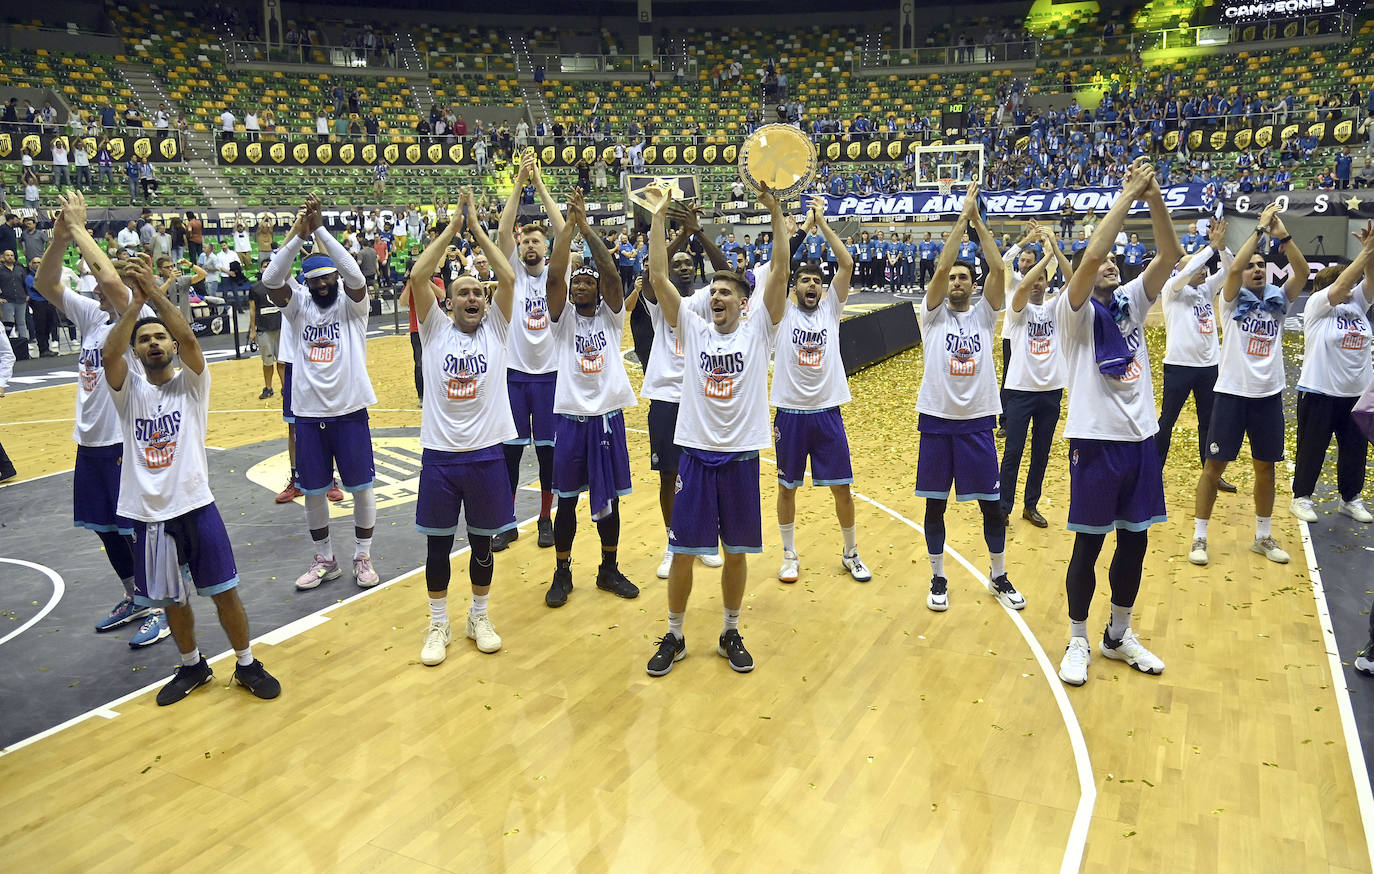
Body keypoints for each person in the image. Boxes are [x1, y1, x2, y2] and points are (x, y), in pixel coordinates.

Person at [102, 254, 280, 705]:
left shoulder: (191, 386)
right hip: (150, 514)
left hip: (196, 506)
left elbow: (187, 336)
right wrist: (134, 307)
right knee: (172, 600)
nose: (156, 343)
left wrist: (154, 296)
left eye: (160, 337)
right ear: (137, 351)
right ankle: (192, 666)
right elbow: (109, 354)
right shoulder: (129, 394)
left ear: (172, 346)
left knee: (225, 593)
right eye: (145, 340)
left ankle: (246, 662)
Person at [642, 181, 787, 677]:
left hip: (742, 456)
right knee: (683, 550)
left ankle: (729, 630)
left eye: (728, 291)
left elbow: (781, 274)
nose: (719, 296)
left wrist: (777, 215)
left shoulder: (758, 331)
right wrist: (659, 216)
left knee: (736, 553)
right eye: (715, 291)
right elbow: (659, 276)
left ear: (744, 303)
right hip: (697, 455)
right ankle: (676, 634)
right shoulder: (693, 327)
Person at [1055, 159, 1179, 688]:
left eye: (1114, 264)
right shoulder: (1073, 309)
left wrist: (1152, 196)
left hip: (1140, 439)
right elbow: (1094, 254)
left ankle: (1117, 634)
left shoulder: (1132, 299)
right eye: (1102, 263)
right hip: (1095, 440)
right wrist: (1127, 193)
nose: (1109, 266)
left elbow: (1170, 254)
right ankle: (1078, 637)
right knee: (1089, 545)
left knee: (1136, 543)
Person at [31, 191, 169, 646]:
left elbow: (112, 282)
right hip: (90, 441)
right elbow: (47, 285)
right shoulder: (93, 317)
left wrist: (78, 229)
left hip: (125, 443)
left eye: (99, 272)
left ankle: (161, 605)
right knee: (107, 530)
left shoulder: (140, 317)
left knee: (139, 531)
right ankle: (133, 597)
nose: (94, 279)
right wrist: (57, 239)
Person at [409, 190, 517, 665]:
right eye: (463, 293)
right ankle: (438, 622)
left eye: (478, 292)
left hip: (487, 453)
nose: (472, 297)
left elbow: (508, 276)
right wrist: (453, 228)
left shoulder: (496, 327)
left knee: (481, 543)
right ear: (448, 302)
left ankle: (478, 615)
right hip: (440, 455)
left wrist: (477, 231)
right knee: (437, 545)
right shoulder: (433, 330)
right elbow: (417, 275)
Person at [914, 182, 1023, 613]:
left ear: (973, 285)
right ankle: (938, 576)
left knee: (991, 508)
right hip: (938, 419)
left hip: (978, 420)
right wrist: (960, 220)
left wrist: (979, 223)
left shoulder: (984, 314)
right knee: (935, 505)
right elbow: (939, 272)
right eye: (953, 276)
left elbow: (999, 272)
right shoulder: (933, 313)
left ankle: (998, 575)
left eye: (964, 277)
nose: (956, 281)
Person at [264, 197, 381, 590]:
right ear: (307, 284)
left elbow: (356, 275)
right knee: (313, 491)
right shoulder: (298, 307)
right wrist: (298, 235)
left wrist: (319, 230)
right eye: (315, 280)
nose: (322, 284)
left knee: (361, 487)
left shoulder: (352, 308)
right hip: (310, 414)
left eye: (327, 278)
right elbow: (271, 280)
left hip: (349, 411)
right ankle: (325, 558)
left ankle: (362, 556)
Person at [1189, 202, 1309, 568]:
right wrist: (1257, 231)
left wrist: (1283, 236)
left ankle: (1263, 535)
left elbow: (1302, 273)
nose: (1256, 269)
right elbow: (1235, 267)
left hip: (1268, 395)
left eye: (1262, 265)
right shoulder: (1229, 300)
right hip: (1230, 394)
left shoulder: (1278, 301)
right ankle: (1199, 536)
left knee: (1265, 468)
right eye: (1251, 266)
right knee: (1214, 467)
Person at [538, 187, 639, 607]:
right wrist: (568, 229)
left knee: (610, 503)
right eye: (575, 284)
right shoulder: (561, 323)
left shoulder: (611, 319)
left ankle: (608, 569)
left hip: (607, 418)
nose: (579, 287)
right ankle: (562, 573)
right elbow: (554, 277)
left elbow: (612, 274)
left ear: (597, 293)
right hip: (572, 420)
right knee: (566, 502)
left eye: (586, 284)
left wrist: (586, 226)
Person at [771, 196, 870, 584]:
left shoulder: (831, 309)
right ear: (794, 286)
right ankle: (789, 554)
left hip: (828, 411)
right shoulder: (781, 312)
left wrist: (823, 224)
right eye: (804, 280)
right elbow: (778, 269)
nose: (811, 285)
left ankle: (851, 552)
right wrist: (800, 230)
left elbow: (846, 263)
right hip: (790, 414)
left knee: (842, 488)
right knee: (787, 488)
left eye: (817, 281)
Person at [639, 200, 730, 578]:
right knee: (668, 476)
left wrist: (699, 234)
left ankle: (706, 539)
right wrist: (678, 237)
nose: (682, 269)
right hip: (664, 397)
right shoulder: (660, 302)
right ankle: (674, 542)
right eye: (677, 265)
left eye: (688, 265)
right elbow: (651, 275)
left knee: (704, 473)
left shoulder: (708, 301)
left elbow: (726, 272)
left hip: (700, 398)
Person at [494, 151, 567, 551]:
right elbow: (504, 233)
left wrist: (538, 183)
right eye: (526, 242)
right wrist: (518, 184)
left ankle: (544, 518)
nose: (529, 246)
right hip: (515, 375)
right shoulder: (512, 274)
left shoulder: (558, 274)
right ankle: (506, 521)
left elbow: (562, 228)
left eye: (537, 241)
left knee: (548, 457)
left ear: (547, 246)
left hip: (552, 376)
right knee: (509, 454)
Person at [1289, 228, 1374, 525]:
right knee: (1312, 448)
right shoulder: (1317, 306)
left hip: (1356, 394)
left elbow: (1371, 280)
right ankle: (1301, 497)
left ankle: (1350, 499)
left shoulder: (1359, 305)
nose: (1353, 286)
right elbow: (1341, 287)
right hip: (1320, 391)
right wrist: (1365, 253)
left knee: (1354, 450)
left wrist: (1370, 250)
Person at [998, 226, 1070, 529]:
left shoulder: (1057, 308)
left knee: (1041, 453)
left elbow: (1075, 279)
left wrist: (1053, 245)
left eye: (1043, 280)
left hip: (1051, 391)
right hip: (1020, 391)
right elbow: (1022, 284)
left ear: (1048, 282)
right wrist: (1042, 259)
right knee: (1013, 451)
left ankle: (1031, 505)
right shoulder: (1018, 310)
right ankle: (1003, 508)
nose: (1037, 284)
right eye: (1034, 280)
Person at [1156, 219, 1233, 491]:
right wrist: (1209, 248)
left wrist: (1221, 249)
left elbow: (1230, 271)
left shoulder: (1206, 289)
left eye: (1203, 267)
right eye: (1197, 267)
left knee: (1209, 423)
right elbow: (1187, 269)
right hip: (1178, 367)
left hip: (1209, 367)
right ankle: (1153, 470)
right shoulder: (1172, 289)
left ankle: (1211, 473)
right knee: (1166, 422)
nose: (1203, 270)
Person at [248, 265, 284, 400]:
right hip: (264, 329)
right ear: (261, 270)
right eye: (264, 266)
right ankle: (268, 388)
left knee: (282, 361)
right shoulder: (255, 288)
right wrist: (253, 330)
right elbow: (252, 310)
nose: (267, 268)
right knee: (267, 362)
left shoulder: (281, 284)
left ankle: (285, 388)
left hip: (281, 328)